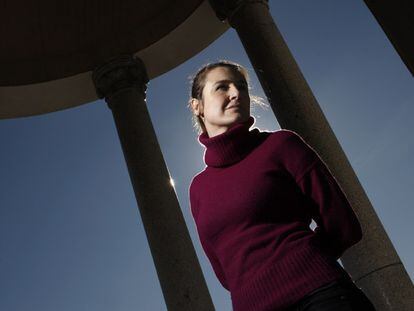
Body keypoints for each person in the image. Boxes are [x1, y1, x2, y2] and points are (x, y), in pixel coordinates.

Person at [187, 60, 377, 311]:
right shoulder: (198, 188)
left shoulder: (281, 145)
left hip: (321, 297)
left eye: (242, 87)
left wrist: (300, 262)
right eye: (222, 87)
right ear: (197, 106)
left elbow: (343, 225)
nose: (236, 94)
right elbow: (224, 272)